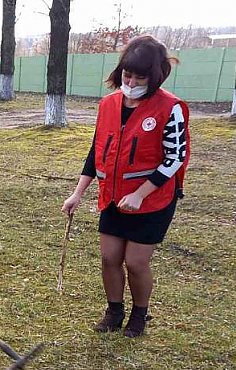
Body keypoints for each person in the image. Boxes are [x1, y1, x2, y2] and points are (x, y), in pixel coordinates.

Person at [61, 35, 191, 338]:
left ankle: (139, 315)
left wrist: (140, 193)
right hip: (114, 197)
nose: (131, 81)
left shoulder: (170, 108)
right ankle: (114, 310)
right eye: (127, 74)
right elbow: (98, 151)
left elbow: (176, 158)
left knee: (135, 262)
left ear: (155, 76)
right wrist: (77, 193)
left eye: (139, 76)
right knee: (109, 258)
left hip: (153, 200)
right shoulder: (108, 105)